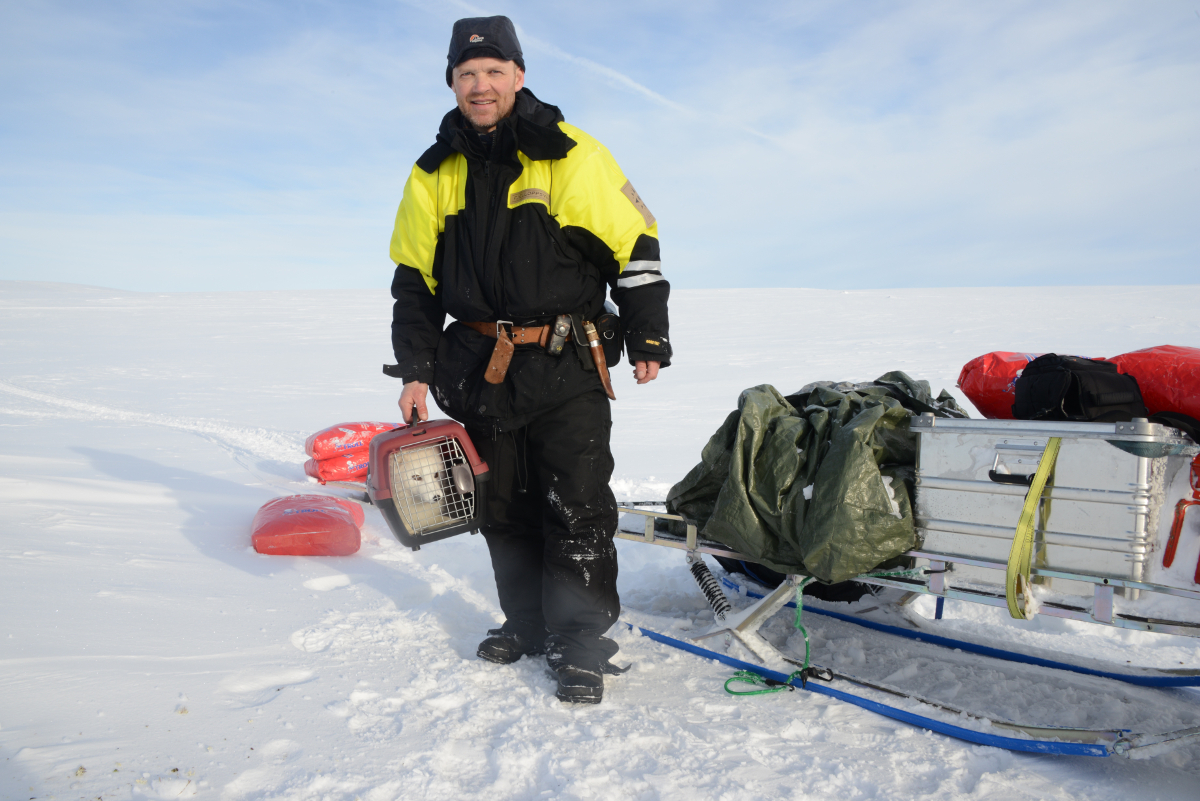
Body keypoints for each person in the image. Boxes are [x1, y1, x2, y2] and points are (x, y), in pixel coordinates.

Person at [386, 16, 671, 704]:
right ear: (451, 82)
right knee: (503, 508)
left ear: (518, 75)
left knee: (576, 507)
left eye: (492, 72)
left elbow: (633, 246)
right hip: (478, 368)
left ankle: (580, 643)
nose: (480, 86)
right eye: (466, 74)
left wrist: (648, 336)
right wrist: (416, 369)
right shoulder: (433, 174)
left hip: (567, 361)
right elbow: (414, 283)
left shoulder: (570, 152)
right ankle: (527, 622)